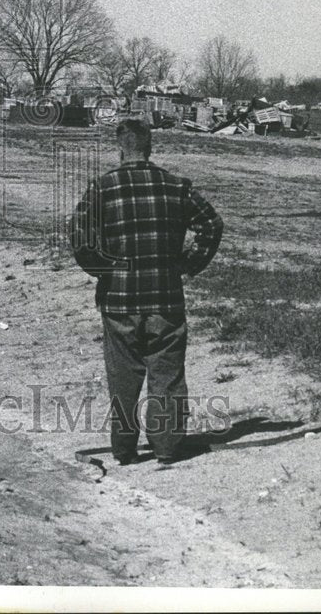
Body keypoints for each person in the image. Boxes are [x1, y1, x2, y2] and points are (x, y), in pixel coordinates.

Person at [70, 118, 223, 468]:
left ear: (120, 149)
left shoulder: (103, 188)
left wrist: (103, 271)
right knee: (167, 377)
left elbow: (80, 236)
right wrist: (188, 263)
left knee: (123, 379)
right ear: (150, 147)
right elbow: (211, 225)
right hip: (166, 297)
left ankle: (124, 451)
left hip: (119, 301)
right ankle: (167, 448)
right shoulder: (176, 186)